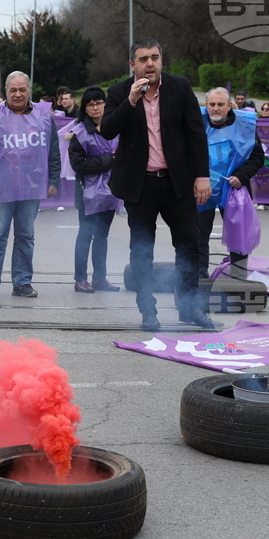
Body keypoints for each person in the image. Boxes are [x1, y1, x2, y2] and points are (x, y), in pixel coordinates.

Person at [100, 37, 215, 332]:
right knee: (141, 251)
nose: (150, 63)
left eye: (154, 57)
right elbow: (108, 131)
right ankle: (148, 311)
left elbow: (196, 135)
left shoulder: (179, 86)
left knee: (189, 247)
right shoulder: (118, 92)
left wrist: (202, 176)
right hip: (140, 187)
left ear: (161, 60)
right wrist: (131, 100)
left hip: (177, 184)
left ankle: (189, 308)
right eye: (143, 59)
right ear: (132, 65)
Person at [0, 71, 60, 298]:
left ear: (30, 91)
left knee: (26, 235)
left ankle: (22, 282)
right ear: (5, 92)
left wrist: (52, 180)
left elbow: (53, 151)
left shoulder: (44, 117)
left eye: (22, 89)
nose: (18, 94)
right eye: (13, 90)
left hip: (31, 187)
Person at [196, 87, 265, 279]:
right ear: (206, 106)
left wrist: (241, 176)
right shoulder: (196, 122)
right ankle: (199, 278)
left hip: (234, 187)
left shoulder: (244, 125)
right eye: (212, 104)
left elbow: (258, 156)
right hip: (202, 186)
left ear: (229, 106)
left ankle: (238, 277)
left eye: (220, 104)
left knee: (239, 233)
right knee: (198, 234)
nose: (216, 108)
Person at [69, 86, 120, 293]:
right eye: (91, 104)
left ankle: (100, 278)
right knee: (85, 235)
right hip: (87, 192)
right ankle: (80, 279)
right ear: (85, 108)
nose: (96, 107)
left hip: (111, 191)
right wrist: (110, 159)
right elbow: (79, 165)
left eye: (99, 103)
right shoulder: (80, 133)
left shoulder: (115, 128)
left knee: (102, 236)